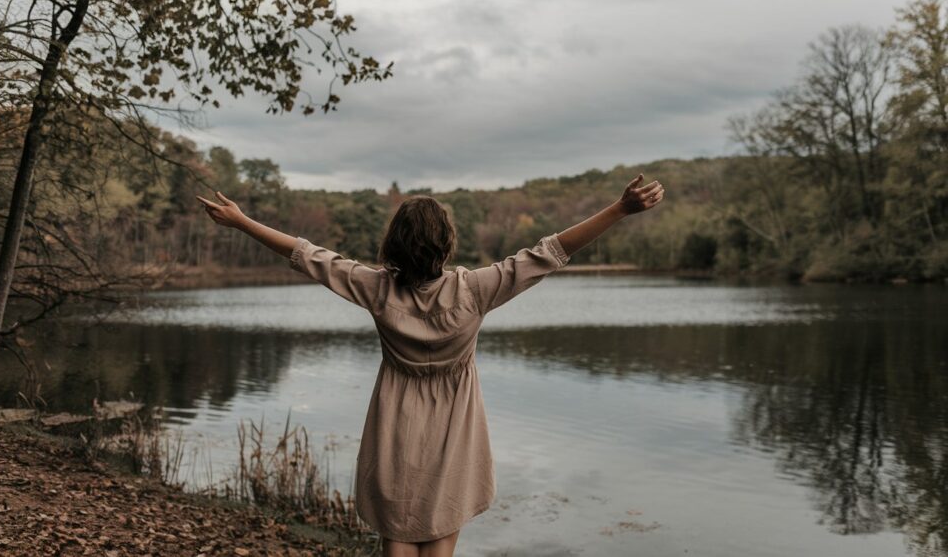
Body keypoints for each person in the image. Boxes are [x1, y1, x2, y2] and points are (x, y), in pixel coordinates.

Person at [196, 173, 664, 557]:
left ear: (395, 244)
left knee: (397, 532)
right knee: (443, 522)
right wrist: (619, 210)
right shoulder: (477, 289)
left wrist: (242, 222)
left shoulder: (377, 290)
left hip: (395, 423)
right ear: (445, 243)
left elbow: (309, 256)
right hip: (454, 424)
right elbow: (551, 252)